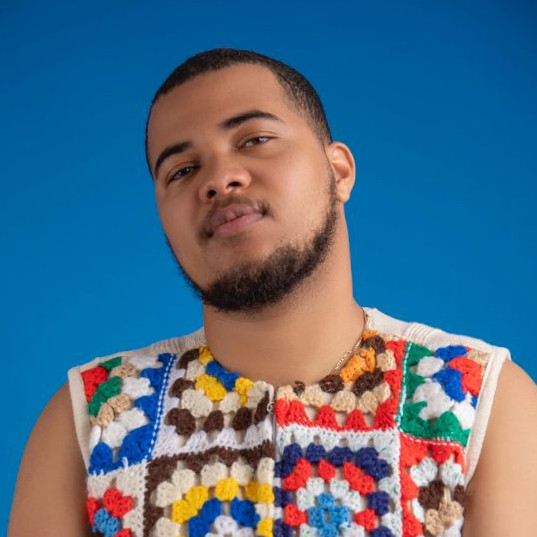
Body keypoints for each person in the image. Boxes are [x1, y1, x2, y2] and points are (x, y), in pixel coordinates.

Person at [8, 48, 537, 537]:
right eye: (182, 170)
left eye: (254, 140)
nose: (220, 179)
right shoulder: (91, 419)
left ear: (338, 171)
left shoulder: (482, 403)